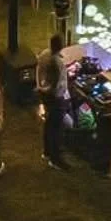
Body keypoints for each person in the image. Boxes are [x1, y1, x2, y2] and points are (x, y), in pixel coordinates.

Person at [36, 34, 70, 167]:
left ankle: (47, 151)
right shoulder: (57, 63)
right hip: (55, 98)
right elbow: (55, 84)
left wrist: (40, 86)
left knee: (49, 124)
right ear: (61, 46)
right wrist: (50, 91)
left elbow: (38, 68)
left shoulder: (44, 54)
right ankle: (56, 159)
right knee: (56, 128)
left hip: (46, 95)